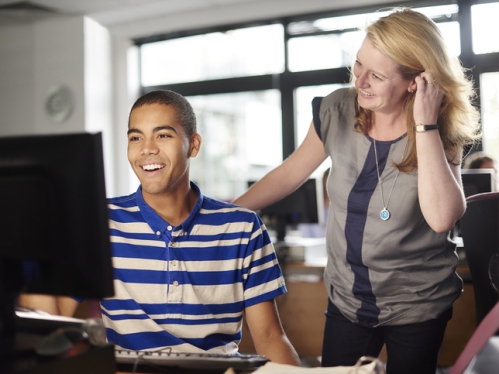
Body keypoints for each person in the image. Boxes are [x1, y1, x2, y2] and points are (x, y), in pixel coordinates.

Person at [233, 7, 481, 374]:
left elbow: (443, 217)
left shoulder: (440, 128)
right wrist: (225, 214)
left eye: (376, 76)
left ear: (416, 81)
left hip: (417, 303)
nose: (360, 81)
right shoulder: (337, 110)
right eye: (358, 65)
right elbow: (291, 174)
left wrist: (425, 125)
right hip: (347, 301)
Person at [19, 89, 300, 365]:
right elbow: (51, 316)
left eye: (163, 135)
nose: (147, 149)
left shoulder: (243, 226)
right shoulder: (98, 222)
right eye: (135, 137)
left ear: (193, 144)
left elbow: (270, 337)